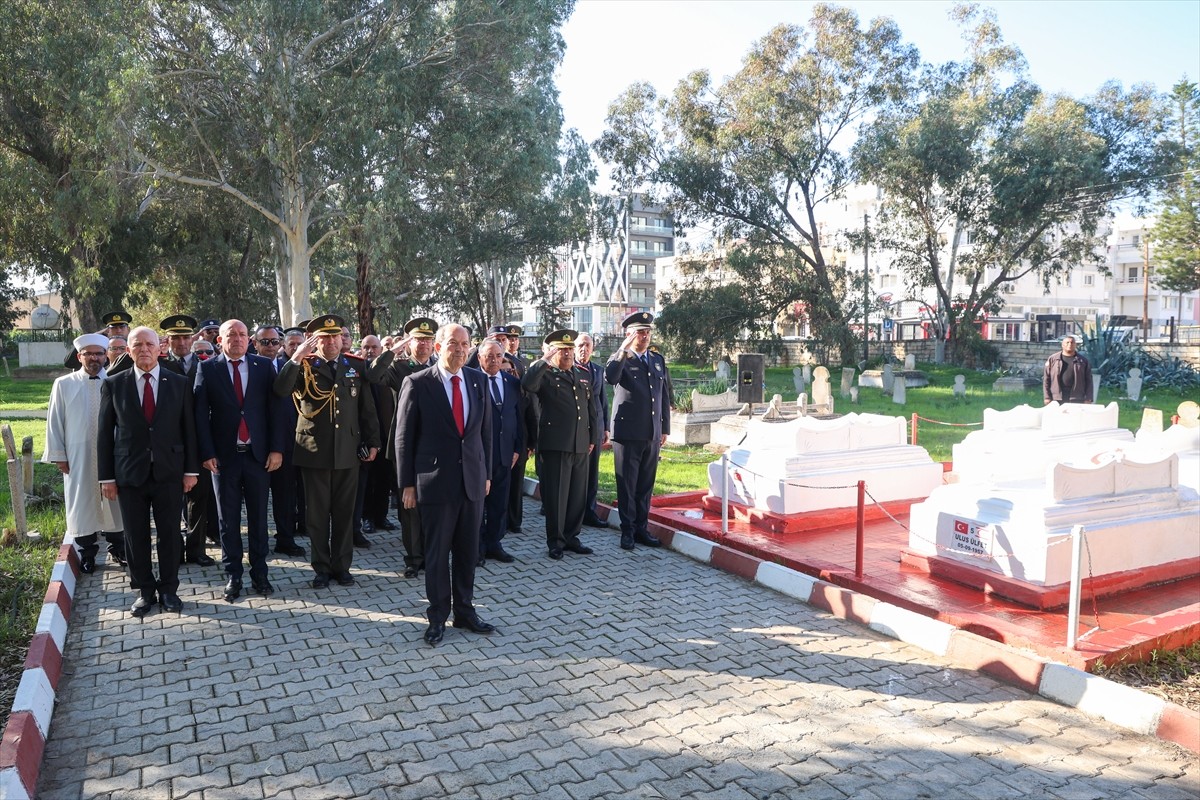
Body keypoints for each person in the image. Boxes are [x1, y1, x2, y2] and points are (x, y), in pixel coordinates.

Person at [395, 322, 494, 645]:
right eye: (453, 343)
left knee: (467, 552)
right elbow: (403, 438)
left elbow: (484, 434)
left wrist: (487, 473)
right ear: (438, 347)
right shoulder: (418, 382)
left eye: (466, 344)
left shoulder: (478, 381)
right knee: (437, 555)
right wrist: (407, 484)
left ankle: (465, 612)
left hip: (472, 482)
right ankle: (437, 616)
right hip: (435, 484)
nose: (461, 349)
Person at [97, 327, 200, 617]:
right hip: (129, 475)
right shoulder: (114, 384)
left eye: (149, 344)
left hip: (169, 472)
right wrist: (106, 478)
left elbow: (189, 431)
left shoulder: (179, 383)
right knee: (135, 535)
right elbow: (105, 435)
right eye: (137, 345)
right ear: (128, 351)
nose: (144, 349)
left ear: (160, 349)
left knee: (169, 534)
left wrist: (191, 470)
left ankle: (169, 590)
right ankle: (144, 591)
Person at [274, 315, 380, 589]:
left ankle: (342, 567)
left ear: (342, 338)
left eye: (335, 336)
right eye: (324, 337)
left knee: (345, 514)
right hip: (314, 451)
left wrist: (373, 442)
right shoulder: (304, 366)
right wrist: (296, 357)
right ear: (315, 340)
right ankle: (321, 568)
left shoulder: (355, 366)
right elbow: (281, 389)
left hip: (347, 450)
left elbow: (366, 409)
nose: (331, 341)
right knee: (317, 515)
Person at [194, 320, 288, 602]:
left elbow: (276, 411)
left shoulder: (263, 367)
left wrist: (276, 449)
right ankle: (233, 574)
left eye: (242, 334)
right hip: (224, 459)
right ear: (219, 340)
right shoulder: (208, 368)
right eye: (230, 335)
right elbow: (200, 415)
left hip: (258, 457)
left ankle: (260, 573)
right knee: (228, 520)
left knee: (259, 519)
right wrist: (206, 452)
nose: (236, 339)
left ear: (249, 340)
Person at [43, 333, 125, 573]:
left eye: (99, 354)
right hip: (77, 455)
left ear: (106, 357)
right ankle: (87, 554)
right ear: (79, 356)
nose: (94, 358)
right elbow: (54, 421)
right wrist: (59, 455)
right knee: (82, 504)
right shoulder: (64, 384)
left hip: (114, 454)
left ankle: (118, 549)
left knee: (115, 503)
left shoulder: (117, 380)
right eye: (89, 354)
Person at [375, 317, 439, 579]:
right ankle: (414, 558)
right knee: (409, 504)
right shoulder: (399, 368)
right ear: (409, 342)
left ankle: (431, 553)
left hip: (434, 446)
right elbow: (374, 375)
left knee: (432, 503)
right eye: (417, 339)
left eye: (427, 340)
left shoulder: (440, 367)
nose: (422, 344)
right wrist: (392, 351)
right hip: (406, 445)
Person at [523, 330, 594, 560]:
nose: (568, 354)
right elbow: (527, 384)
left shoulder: (582, 375)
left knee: (576, 495)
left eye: (570, 350)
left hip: (580, 443)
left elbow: (590, 409)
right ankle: (556, 541)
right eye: (562, 350)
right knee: (557, 496)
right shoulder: (545, 375)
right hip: (555, 445)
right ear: (553, 352)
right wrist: (544, 360)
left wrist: (592, 438)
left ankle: (572, 537)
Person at [605, 312, 672, 551]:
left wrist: (665, 428)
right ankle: (627, 531)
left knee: (645, 485)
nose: (644, 336)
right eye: (639, 332)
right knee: (628, 484)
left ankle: (642, 528)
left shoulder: (656, 359)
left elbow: (664, 395)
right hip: (627, 432)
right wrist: (622, 349)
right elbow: (610, 376)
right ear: (629, 334)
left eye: (646, 332)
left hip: (651, 433)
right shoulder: (622, 358)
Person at [476, 340, 525, 563]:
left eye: (498, 356)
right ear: (479, 358)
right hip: (478, 455)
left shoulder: (512, 382)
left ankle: (494, 543)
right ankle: (476, 547)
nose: (494, 360)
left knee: (499, 502)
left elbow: (518, 418)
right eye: (489, 356)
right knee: (478, 504)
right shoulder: (471, 380)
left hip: (505, 454)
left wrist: (517, 448)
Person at [354, 334, 397, 537]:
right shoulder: (357, 371)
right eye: (366, 347)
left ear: (381, 350)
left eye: (374, 347)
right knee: (367, 480)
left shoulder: (388, 372)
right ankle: (367, 518)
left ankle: (381, 516)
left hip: (387, 435)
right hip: (366, 437)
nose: (370, 351)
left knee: (384, 479)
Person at [574, 333, 611, 528]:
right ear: (574, 347)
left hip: (595, 429)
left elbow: (603, 401)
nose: (584, 349)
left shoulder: (597, 370)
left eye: (587, 345)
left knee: (592, 474)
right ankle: (575, 514)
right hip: (577, 430)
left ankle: (590, 511)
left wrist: (606, 427)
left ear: (592, 348)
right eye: (580, 345)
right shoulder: (570, 369)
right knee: (577, 473)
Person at [1043, 334, 1094, 405]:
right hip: (1057, 397)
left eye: (1072, 342)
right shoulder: (1053, 359)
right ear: (1062, 345)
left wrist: (1088, 398)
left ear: (1075, 345)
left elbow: (1089, 380)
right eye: (1067, 342)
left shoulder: (1083, 361)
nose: (1070, 344)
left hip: (1076, 397)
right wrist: (1047, 397)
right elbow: (1046, 379)